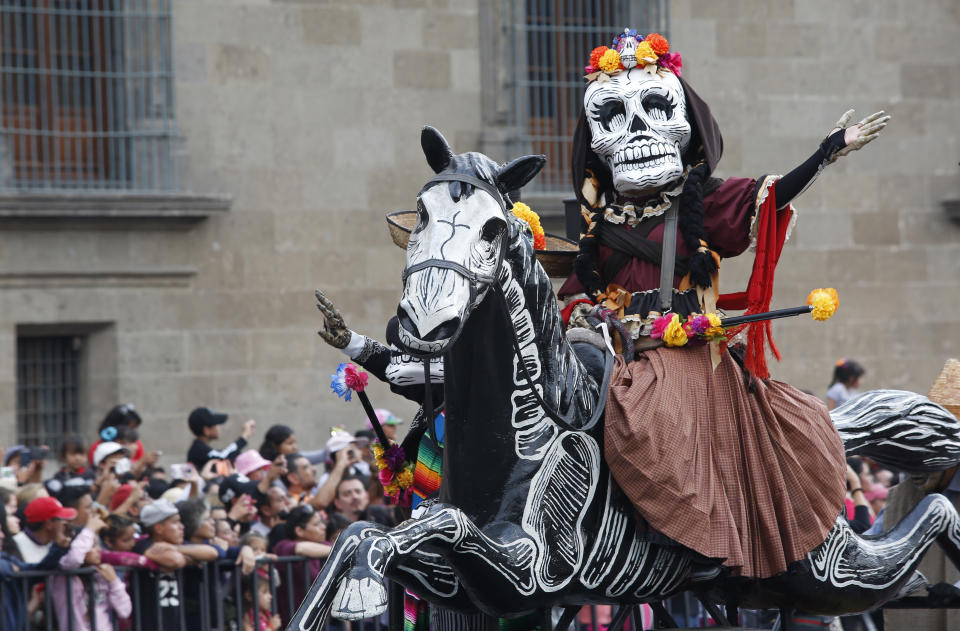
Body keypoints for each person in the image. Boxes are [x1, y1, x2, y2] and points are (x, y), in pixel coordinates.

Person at [134, 499, 219, 631]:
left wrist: (177, 549)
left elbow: (212, 553)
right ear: (159, 528)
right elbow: (175, 561)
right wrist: (189, 558)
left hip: (176, 621)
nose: (182, 526)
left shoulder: (176, 545)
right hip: (151, 622)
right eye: (175, 522)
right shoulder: (143, 545)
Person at [271, 504, 331, 627]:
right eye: (316, 524)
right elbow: (302, 548)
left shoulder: (323, 545)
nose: (323, 527)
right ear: (299, 530)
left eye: (322, 523)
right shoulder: (283, 546)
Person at [187, 407, 256, 470]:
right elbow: (222, 456)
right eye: (216, 424)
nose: (219, 427)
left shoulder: (201, 447)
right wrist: (244, 436)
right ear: (206, 430)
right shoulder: (198, 449)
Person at [13, 496, 74, 563]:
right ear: (49, 524)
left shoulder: (57, 543)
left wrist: (62, 547)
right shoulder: (15, 544)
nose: (66, 524)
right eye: (62, 519)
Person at [330, 475, 397, 527]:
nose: (354, 497)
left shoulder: (381, 516)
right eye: (347, 494)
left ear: (367, 496)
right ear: (337, 503)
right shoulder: (333, 526)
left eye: (358, 491)